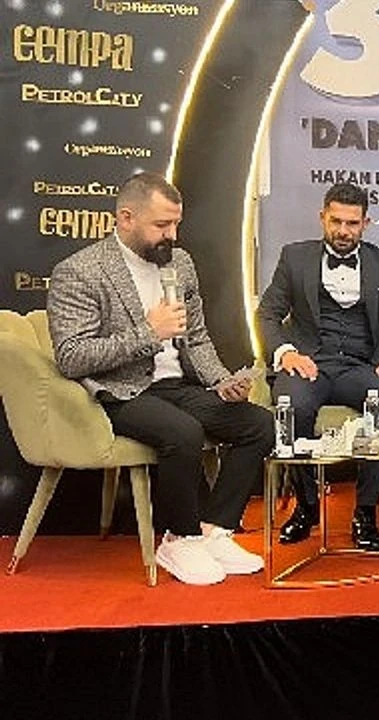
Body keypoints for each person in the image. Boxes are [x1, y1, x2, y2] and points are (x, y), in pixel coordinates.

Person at [47, 171, 271, 585]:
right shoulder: (80, 271)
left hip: (176, 386)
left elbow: (196, 338)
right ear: (126, 218)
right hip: (122, 391)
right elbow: (72, 357)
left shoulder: (180, 264)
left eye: (176, 224)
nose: (173, 235)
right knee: (183, 432)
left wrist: (221, 381)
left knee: (257, 423)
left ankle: (213, 530)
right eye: (162, 225)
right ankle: (178, 538)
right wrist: (149, 334)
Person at [256, 182, 379, 551]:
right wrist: (286, 352)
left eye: (352, 223)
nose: (343, 231)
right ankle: (306, 505)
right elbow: (268, 314)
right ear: (322, 218)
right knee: (292, 407)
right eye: (336, 221)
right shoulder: (294, 257)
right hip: (309, 364)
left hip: (361, 366)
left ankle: (365, 512)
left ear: (366, 223)